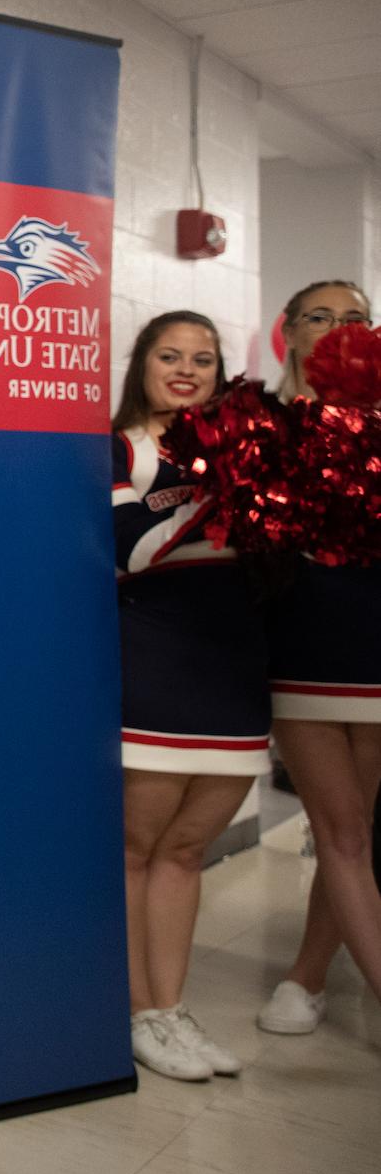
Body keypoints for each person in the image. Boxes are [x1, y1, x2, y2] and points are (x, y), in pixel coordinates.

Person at [110, 311, 268, 1080]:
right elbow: (124, 549)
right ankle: (140, 1012)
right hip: (155, 661)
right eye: (168, 355)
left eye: (201, 359)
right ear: (141, 364)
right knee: (137, 847)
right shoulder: (120, 447)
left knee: (185, 847)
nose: (185, 368)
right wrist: (212, 489)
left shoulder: (250, 451)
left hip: (235, 667)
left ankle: (169, 1009)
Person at [256, 280, 381, 1041]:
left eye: (356, 318)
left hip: (376, 647)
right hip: (301, 649)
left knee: (353, 832)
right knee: (337, 829)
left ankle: (306, 976)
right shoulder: (257, 427)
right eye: (321, 316)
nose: (339, 328)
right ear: (288, 332)